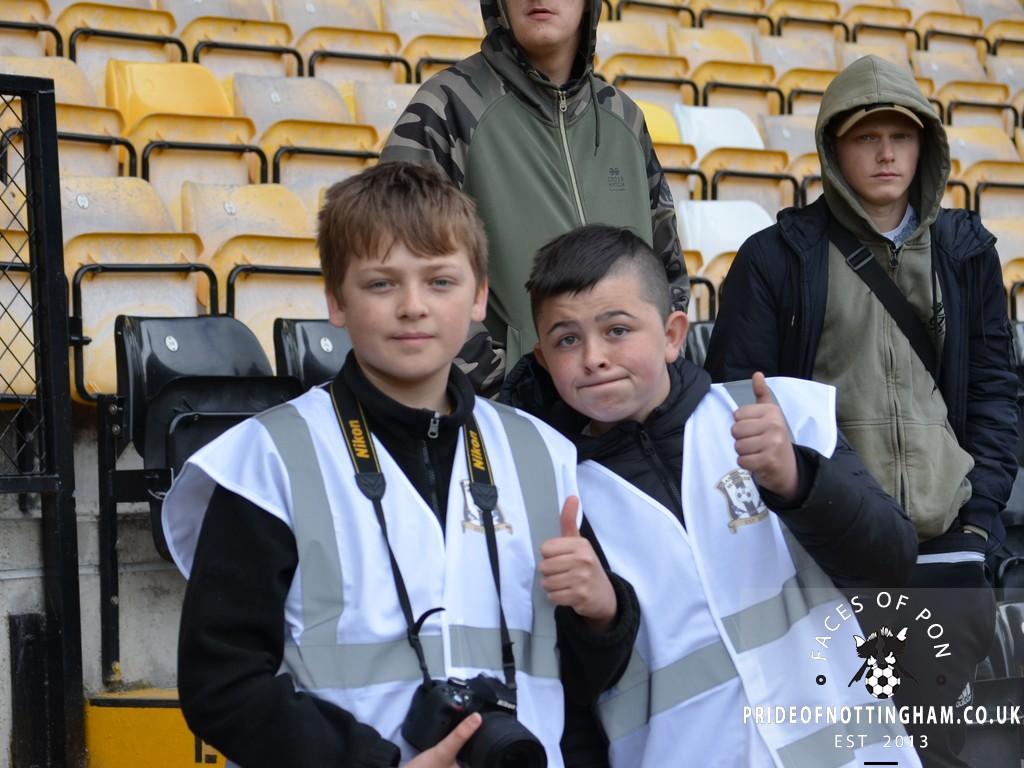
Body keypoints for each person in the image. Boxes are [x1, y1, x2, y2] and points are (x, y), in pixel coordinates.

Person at [162, 163, 639, 768]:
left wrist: (604, 615)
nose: (413, 307)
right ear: (336, 300)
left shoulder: (541, 453)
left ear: (479, 296)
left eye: (440, 281)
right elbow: (222, 684)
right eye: (381, 284)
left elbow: (581, 678)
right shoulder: (268, 458)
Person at [502, 224, 922, 767]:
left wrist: (798, 480)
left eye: (617, 330)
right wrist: (601, 621)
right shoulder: (555, 493)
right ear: (541, 359)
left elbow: (891, 561)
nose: (594, 357)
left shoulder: (780, 414)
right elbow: (572, 702)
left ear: (673, 335)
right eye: (567, 340)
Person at [704, 55, 1017, 767]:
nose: (885, 154)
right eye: (866, 137)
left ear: (924, 146)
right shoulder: (776, 258)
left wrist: (979, 520)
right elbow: (736, 402)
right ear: (833, 147)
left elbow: (997, 391)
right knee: (843, 749)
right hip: (831, 553)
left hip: (947, 544)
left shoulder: (967, 252)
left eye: (900, 137)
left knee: (933, 749)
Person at [380, 0, 687, 388]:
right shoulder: (445, 108)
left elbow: (668, 270)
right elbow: (399, 265)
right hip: (504, 412)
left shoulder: (624, 118)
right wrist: (506, 389)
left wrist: (652, 383)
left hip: (629, 404)